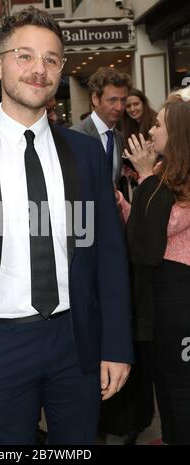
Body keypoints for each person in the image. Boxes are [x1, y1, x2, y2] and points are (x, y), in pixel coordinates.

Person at [0, 7, 133, 445]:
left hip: (76, 340)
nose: (39, 69)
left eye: (51, 59)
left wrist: (115, 344)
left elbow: (110, 256)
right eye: (25, 56)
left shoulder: (86, 154)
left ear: (61, 69)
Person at [116, 100, 190, 444]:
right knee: (167, 389)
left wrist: (146, 176)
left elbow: (153, 239)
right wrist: (121, 202)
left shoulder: (180, 179)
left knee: (181, 391)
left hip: (180, 299)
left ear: (175, 135)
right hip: (160, 301)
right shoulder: (164, 173)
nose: (151, 131)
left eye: (158, 125)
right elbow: (144, 230)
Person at [71, 67, 131, 184]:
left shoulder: (119, 138)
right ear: (95, 99)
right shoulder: (75, 136)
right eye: (112, 100)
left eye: (123, 100)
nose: (119, 107)